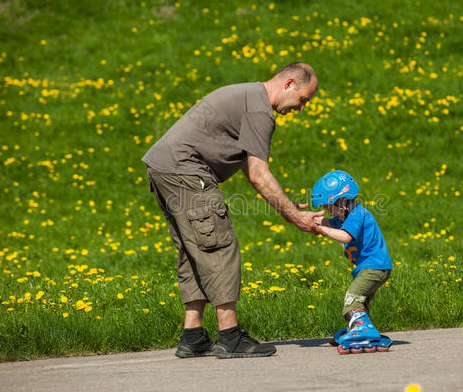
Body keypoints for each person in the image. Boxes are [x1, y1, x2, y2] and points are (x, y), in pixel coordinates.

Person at [142, 62, 323, 359]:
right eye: (303, 99)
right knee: (218, 246)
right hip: (186, 171)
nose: (302, 108)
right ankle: (230, 336)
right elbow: (258, 175)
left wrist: (286, 202)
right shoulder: (259, 110)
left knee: (195, 249)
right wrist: (294, 216)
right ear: (289, 83)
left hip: (165, 168)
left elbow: (249, 168)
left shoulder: (248, 97)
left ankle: (194, 335)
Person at [311, 170, 393, 353]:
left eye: (328, 206)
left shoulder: (357, 214)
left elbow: (345, 237)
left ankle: (364, 329)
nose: (327, 211)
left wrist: (322, 231)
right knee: (361, 301)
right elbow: (323, 221)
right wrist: (302, 217)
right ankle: (361, 328)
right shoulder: (345, 216)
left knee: (352, 299)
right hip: (373, 268)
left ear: (342, 202)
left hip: (374, 267)